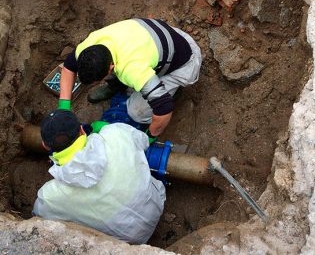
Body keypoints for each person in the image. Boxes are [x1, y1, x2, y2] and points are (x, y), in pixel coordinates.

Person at [33, 110, 166, 244]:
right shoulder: (116, 133)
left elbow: (38, 216)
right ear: (82, 130)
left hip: (131, 241)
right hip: (156, 203)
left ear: (45, 146)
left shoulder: (50, 196)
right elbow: (144, 141)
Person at [58, 18, 202, 137]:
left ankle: (173, 92)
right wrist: (64, 108)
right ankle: (117, 86)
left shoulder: (132, 69)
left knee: (137, 112)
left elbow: (164, 108)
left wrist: (149, 137)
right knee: (132, 81)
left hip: (184, 62)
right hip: (160, 37)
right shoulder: (91, 44)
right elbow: (69, 67)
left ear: (111, 67)